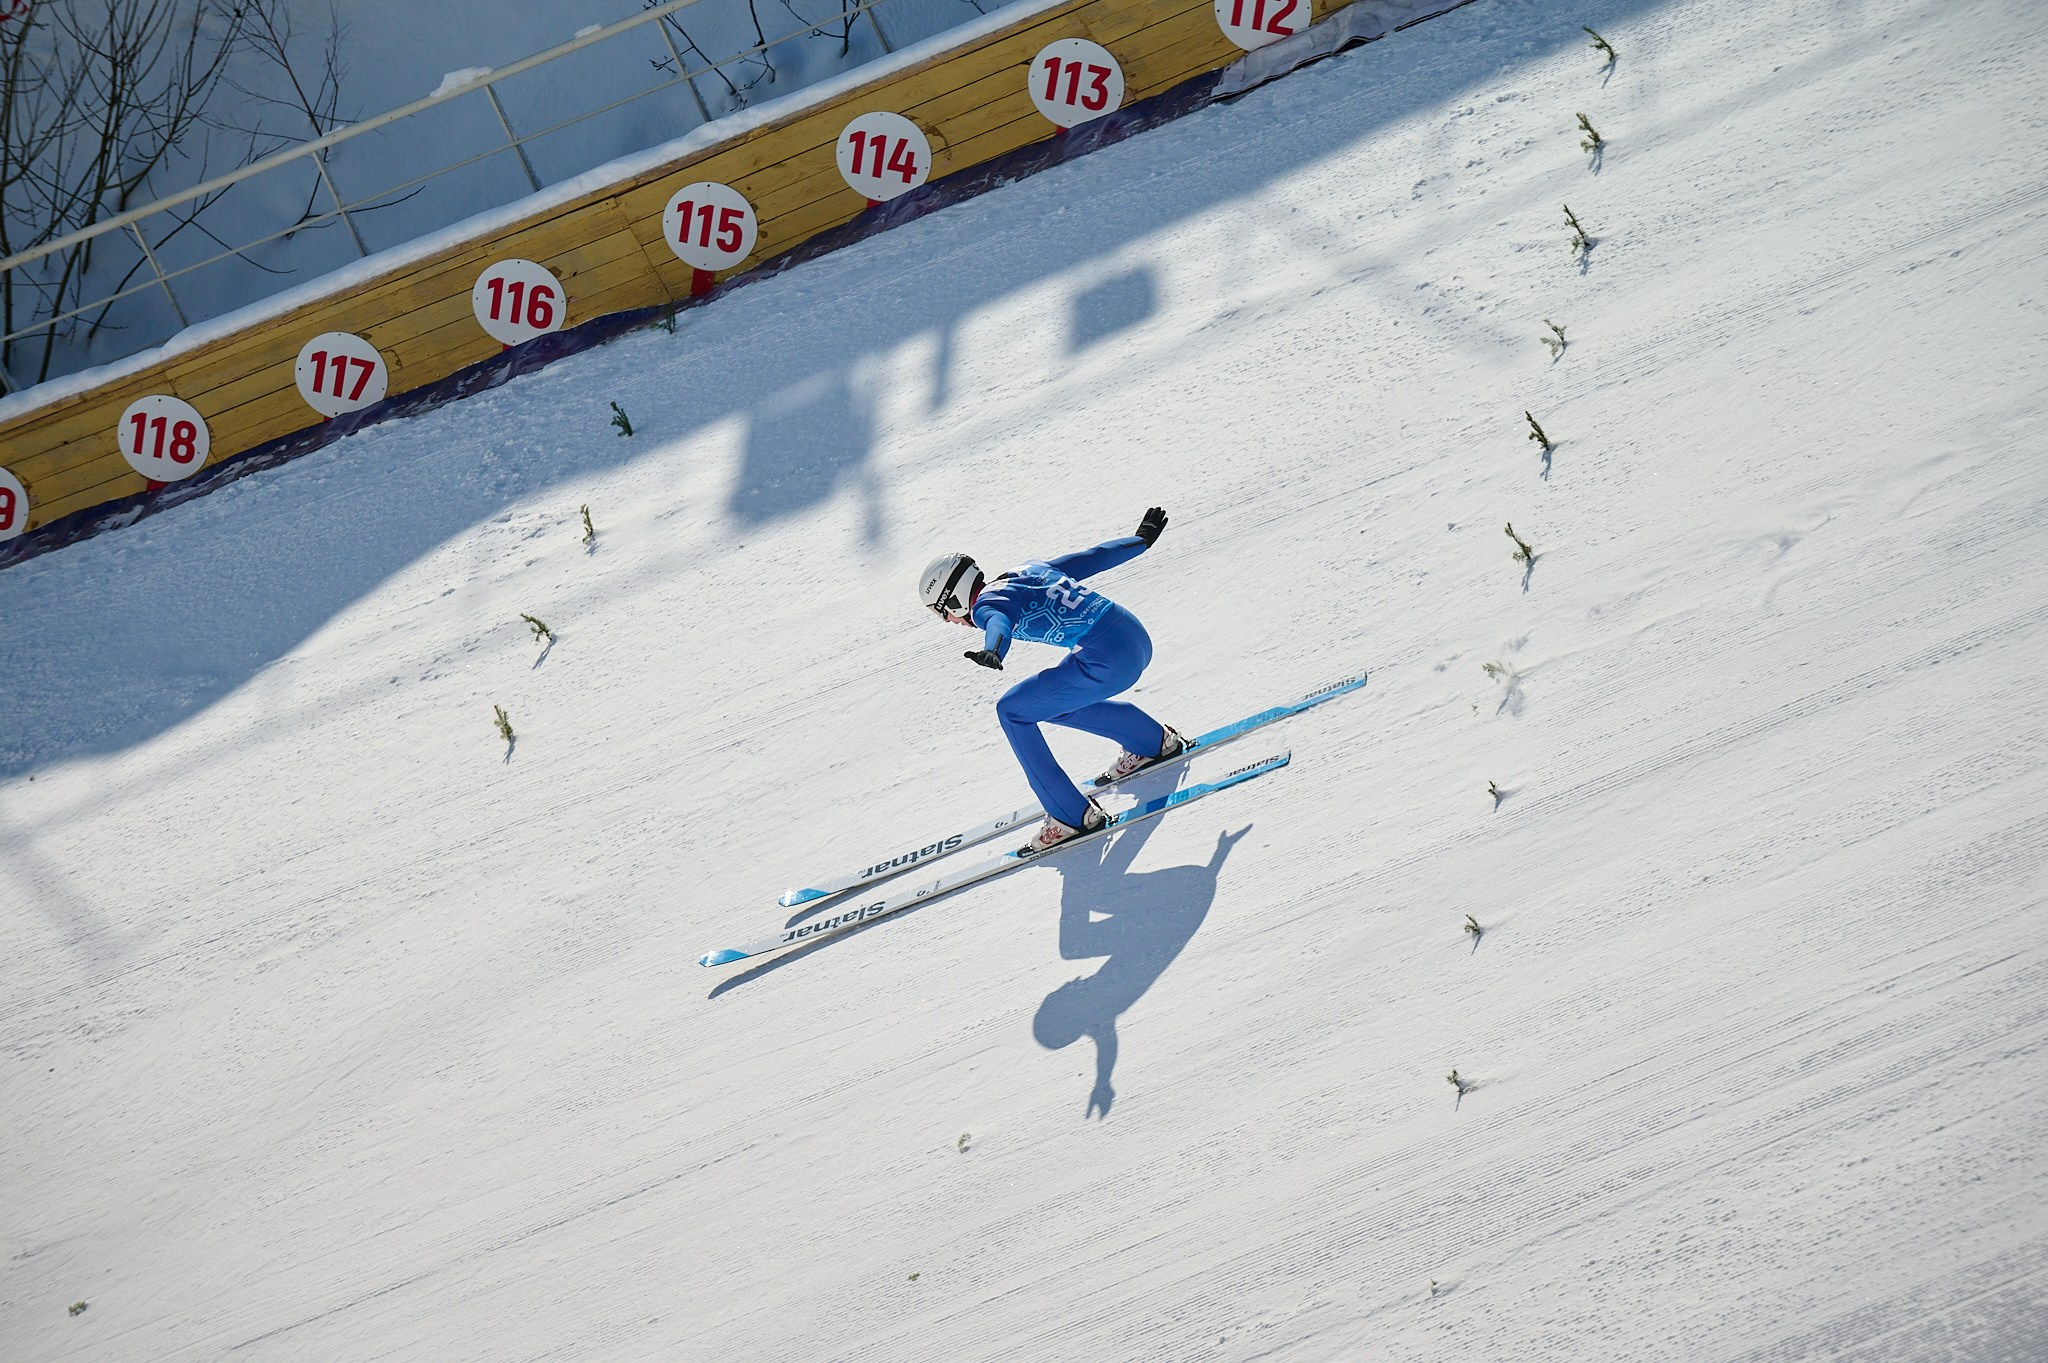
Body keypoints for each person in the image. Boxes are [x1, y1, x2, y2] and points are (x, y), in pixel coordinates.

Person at [918, 507, 1185, 855]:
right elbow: (1090, 558)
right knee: (1047, 703)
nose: (950, 622)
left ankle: (1069, 815)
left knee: (1012, 711)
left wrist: (994, 650)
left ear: (952, 599)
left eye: (942, 613)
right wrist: (1139, 541)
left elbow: (997, 623)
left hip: (1109, 659)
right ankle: (1149, 740)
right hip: (1133, 636)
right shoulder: (1025, 570)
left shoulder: (984, 606)